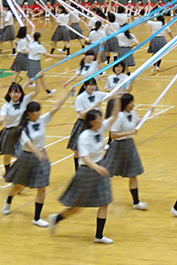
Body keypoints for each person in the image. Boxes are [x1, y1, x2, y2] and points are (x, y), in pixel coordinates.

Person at [48, 91, 122, 244]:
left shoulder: (100, 129)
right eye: (99, 118)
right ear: (92, 122)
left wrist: (118, 99)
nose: (102, 120)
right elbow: (84, 157)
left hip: (99, 169)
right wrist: (97, 168)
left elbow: (114, 116)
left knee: (104, 202)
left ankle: (99, 236)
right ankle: (56, 218)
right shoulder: (84, 136)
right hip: (87, 172)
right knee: (77, 206)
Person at [3, 92, 72, 226]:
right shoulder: (22, 128)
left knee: (42, 187)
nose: (39, 114)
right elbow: (28, 144)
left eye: (39, 111)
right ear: (29, 113)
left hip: (41, 158)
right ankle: (8, 199)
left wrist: (67, 94)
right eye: (36, 112)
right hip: (27, 157)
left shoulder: (42, 120)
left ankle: (36, 218)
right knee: (19, 185)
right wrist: (37, 153)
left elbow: (56, 107)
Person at [102, 93, 148, 211]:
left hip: (129, 146)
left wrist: (149, 113)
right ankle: (97, 194)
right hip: (118, 147)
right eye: (131, 102)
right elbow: (113, 135)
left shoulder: (132, 113)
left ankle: (136, 202)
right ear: (125, 104)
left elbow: (137, 122)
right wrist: (129, 133)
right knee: (105, 172)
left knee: (133, 174)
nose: (133, 104)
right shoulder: (119, 116)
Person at [0, 82, 36, 174]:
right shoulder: (6, 106)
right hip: (10, 132)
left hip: (22, 131)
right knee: (8, 154)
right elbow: (2, 116)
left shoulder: (25, 101)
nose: (16, 95)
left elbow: (37, 91)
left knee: (25, 151)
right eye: (14, 92)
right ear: (9, 93)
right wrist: (1, 120)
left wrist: (40, 79)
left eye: (18, 92)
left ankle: (24, 171)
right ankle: (8, 171)